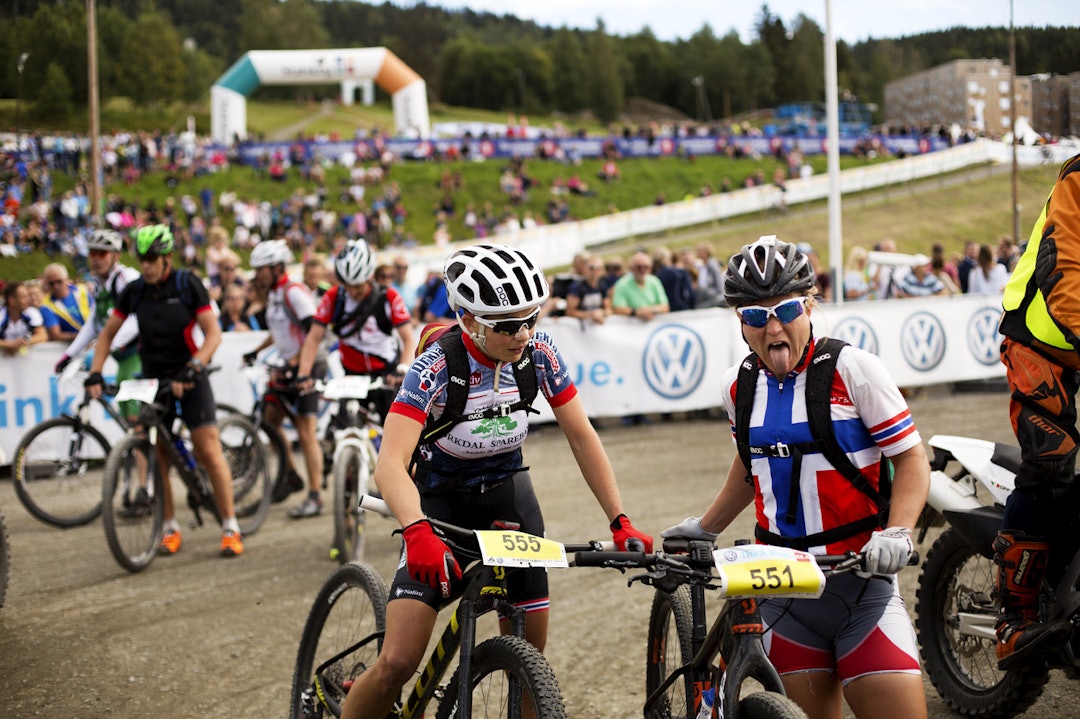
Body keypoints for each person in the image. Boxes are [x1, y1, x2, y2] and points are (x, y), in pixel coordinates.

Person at [337, 243, 653, 719]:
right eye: (507, 324)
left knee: (530, 661)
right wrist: (417, 529)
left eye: (532, 318)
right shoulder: (436, 366)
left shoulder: (539, 355)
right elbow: (390, 465)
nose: (523, 333)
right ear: (467, 319)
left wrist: (620, 518)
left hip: (509, 500)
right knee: (398, 662)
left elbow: (582, 437)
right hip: (439, 507)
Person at [662, 236, 929, 719]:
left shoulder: (854, 369)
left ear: (809, 305)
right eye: (755, 317)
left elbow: (911, 460)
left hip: (859, 585)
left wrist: (898, 530)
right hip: (782, 593)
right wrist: (708, 526)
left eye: (785, 310)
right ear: (740, 322)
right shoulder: (737, 384)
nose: (773, 327)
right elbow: (754, 464)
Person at [85, 224, 245, 558]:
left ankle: (230, 525)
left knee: (207, 449)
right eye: (142, 258)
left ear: (167, 257)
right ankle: (169, 526)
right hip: (154, 379)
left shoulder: (188, 284)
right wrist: (96, 371)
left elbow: (213, 334)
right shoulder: (135, 290)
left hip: (189, 375)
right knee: (159, 455)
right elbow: (106, 335)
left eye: (152, 258)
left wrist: (195, 365)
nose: (146, 264)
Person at [995, 152, 1080, 668]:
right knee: (1051, 458)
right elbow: (1065, 270)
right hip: (1040, 336)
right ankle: (1014, 617)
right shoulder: (1079, 177)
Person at [295, 239, 415, 517]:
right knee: (337, 431)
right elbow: (313, 339)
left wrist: (402, 368)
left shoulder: (388, 298)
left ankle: (412, 494)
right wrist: (303, 375)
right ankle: (346, 490)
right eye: (348, 285)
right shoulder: (333, 298)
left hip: (387, 376)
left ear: (370, 277)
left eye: (358, 285)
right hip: (352, 377)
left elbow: (408, 338)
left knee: (404, 441)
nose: (354, 292)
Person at [241, 240, 325, 510]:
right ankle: (290, 475)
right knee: (269, 420)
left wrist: (297, 365)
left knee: (305, 430)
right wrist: (256, 350)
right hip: (290, 366)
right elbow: (279, 330)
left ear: (277, 268)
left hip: (310, 366)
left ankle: (315, 496)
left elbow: (314, 332)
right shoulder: (276, 293)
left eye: (261, 269)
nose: (257, 275)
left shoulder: (293, 292)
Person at [54, 228, 142, 414]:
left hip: (140, 353)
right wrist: (69, 354)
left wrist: (104, 347)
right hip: (123, 357)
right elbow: (94, 323)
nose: (96, 259)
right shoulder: (99, 283)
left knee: (136, 416)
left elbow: (136, 320)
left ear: (116, 256)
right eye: (92, 253)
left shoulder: (126, 278)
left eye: (102, 253)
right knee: (126, 413)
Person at [40, 262, 93, 342]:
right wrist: (84, 336)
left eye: (59, 281)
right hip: (74, 346)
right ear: (46, 283)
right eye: (51, 283)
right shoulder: (46, 306)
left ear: (67, 279)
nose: (56, 286)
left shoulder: (83, 291)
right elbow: (56, 335)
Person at [610, 251, 669, 320]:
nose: (642, 270)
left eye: (646, 267)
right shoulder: (621, 284)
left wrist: (652, 310)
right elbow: (618, 308)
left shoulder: (655, 281)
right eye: (639, 267)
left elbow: (665, 306)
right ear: (632, 268)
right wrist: (636, 312)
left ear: (650, 268)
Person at [1, 281, 46, 356]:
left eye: (27, 296)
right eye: (24, 297)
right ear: (11, 300)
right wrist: (10, 345)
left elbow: (43, 335)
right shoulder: (1, 316)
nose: (28, 300)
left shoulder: (32, 312)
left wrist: (24, 342)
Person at [564, 255, 610, 324]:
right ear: (585, 269)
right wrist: (590, 315)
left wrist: (601, 312)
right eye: (591, 268)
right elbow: (570, 312)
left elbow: (609, 309)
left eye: (598, 268)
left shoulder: (602, 285)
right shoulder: (577, 287)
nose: (595, 271)